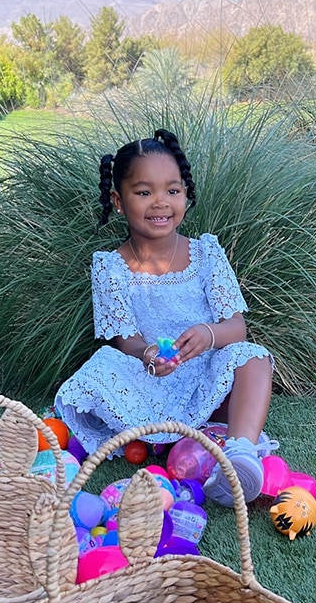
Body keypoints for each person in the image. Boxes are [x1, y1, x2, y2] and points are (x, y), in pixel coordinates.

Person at [54, 129, 275, 505]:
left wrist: (208, 333)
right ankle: (184, 434)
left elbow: (237, 327)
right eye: (144, 193)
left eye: (172, 190)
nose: (160, 203)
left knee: (253, 358)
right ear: (118, 201)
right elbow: (125, 339)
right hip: (153, 376)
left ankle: (239, 454)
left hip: (208, 376)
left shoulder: (205, 253)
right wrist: (148, 353)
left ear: (185, 194)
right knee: (100, 367)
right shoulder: (110, 267)